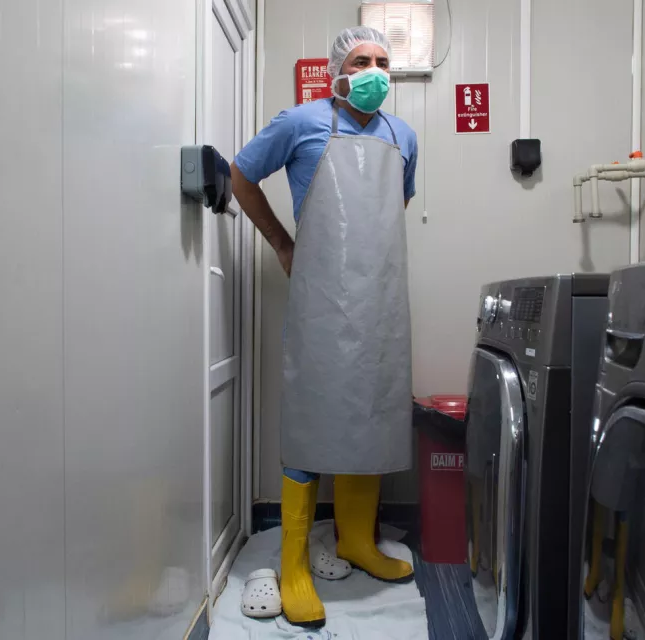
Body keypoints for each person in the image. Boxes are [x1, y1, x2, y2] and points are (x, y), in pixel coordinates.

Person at [231, 26, 418, 628]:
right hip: (321, 301)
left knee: (370, 414)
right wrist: (284, 243)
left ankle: (356, 541)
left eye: (383, 63)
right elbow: (240, 176)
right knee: (314, 418)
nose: (374, 71)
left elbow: (393, 208)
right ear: (338, 68)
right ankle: (292, 563)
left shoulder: (404, 136)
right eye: (362, 60)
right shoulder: (301, 121)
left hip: (381, 304)